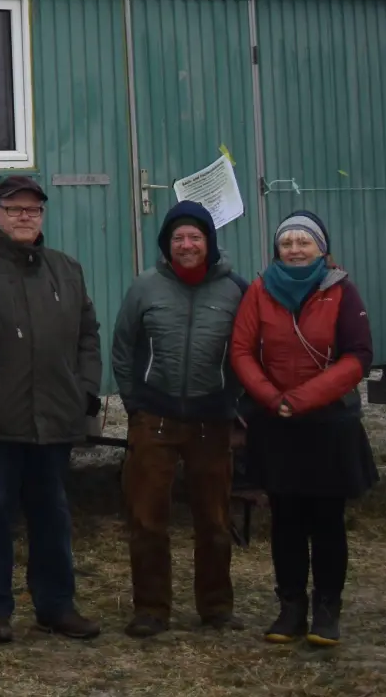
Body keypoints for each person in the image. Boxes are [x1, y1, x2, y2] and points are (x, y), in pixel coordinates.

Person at [0, 174, 102, 644]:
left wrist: (85, 389)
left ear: (42, 215)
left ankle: (56, 606)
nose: (24, 216)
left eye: (32, 209)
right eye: (14, 209)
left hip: (54, 417)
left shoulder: (66, 269)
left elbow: (87, 335)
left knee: (52, 513)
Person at [229, 210, 377, 648]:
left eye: (303, 242)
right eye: (286, 242)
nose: (294, 249)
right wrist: (271, 399)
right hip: (277, 422)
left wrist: (303, 398)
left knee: (327, 520)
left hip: (329, 421)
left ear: (321, 248)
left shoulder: (341, 291)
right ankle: (290, 607)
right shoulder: (259, 290)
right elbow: (241, 349)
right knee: (286, 520)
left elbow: (358, 355)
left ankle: (327, 609)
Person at [110, 201, 249, 638]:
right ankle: (151, 609)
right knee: (148, 518)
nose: (186, 245)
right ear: (166, 245)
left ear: (209, 242)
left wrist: (232, 401)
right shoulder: (145, 288)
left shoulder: (235, 290)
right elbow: (123, 348)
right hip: (156, 417)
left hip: (212, 420)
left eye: (195, 237)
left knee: (213, 519)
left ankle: (216, 607)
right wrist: (136, 406)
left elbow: (247, 350)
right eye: (178, 238)